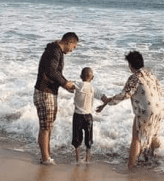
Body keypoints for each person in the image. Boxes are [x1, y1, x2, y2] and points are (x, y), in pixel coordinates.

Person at [97, 50, 163, 170]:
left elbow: (124, 95)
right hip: (159, 110)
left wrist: (107, 102)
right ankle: (157, 162)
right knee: (153, 135)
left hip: (146, 112)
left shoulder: (134, 78)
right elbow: (160, 92)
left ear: (131, 65)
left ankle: (131, 166)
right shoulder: (151, 75)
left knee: (136, 138)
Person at [34, 32, 78, 165]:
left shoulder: (54, 50)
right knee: (45, 126)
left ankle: (47, 155)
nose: (72, 50)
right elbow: (51, 72)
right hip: (45, 92)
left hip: (46, 92)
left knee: (48, 125)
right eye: (74, 47)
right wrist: (65, 83)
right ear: (70, 43)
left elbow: (55, 73)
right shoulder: (55, 51)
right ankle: (45, 158)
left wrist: (64, 83)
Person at [71, 67, 109, 163]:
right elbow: (105, 99)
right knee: (88, 141)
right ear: (92, 78)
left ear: (81, 77)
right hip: (88, 117)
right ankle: (87, 160)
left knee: (77, 140)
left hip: (77, 116)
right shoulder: (93, 88)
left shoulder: (78, 84)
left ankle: (78, 160)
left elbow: (67, 84)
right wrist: (102, 107)